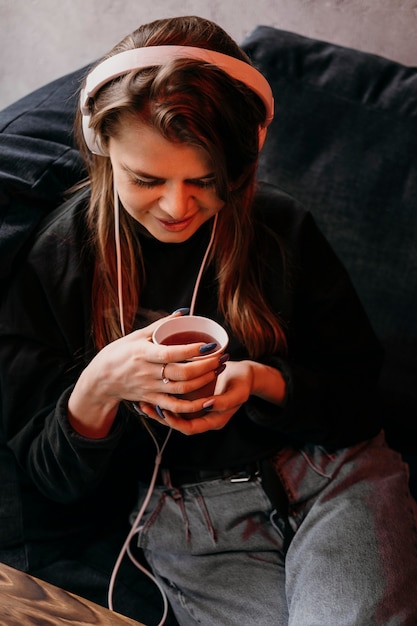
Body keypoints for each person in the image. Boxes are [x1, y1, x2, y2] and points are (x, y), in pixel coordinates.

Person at [0, 14, 416, 626]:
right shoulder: (56, 262)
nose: (176, 207)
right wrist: (100, 383)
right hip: (187, 520)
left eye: (206, 181)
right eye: (145, 179)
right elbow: (48, 481)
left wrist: (261, 382)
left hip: (332, 477)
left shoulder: (281, 229)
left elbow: (358, 400)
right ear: (100, 146)